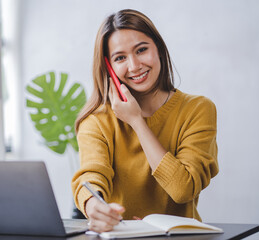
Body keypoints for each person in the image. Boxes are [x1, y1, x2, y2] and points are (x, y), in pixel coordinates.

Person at [71, 9, 219, 233]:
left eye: (141, 50)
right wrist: (94, 206)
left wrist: (137, 121)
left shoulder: (197, 109)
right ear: (108, 67)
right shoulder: (96, 121)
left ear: (158, 49)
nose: (134, 66)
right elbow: (92, 176)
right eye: (120, 58)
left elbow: (182, 190)